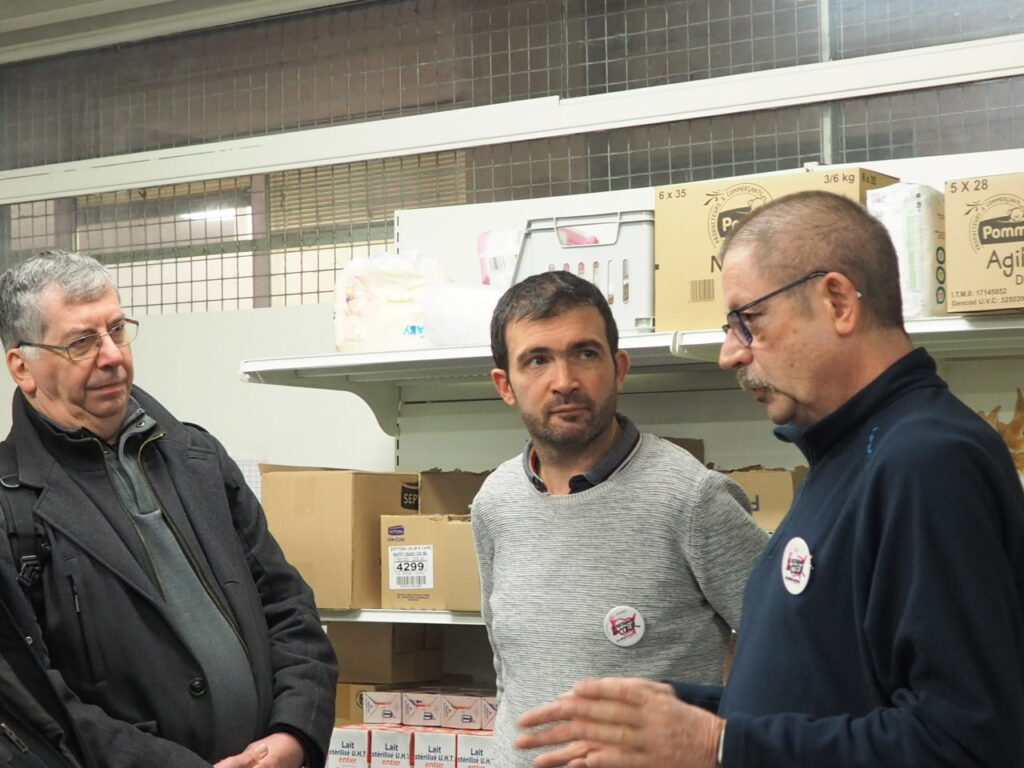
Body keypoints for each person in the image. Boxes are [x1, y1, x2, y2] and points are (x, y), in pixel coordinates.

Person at [515, 190, 1024, 768]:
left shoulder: (926, 461)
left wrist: (719, 746)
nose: (731, 353)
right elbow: (831, 692)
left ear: (836, 301)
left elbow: (965, 743)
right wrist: (681, 713)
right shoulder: (849, 453)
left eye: (747, 321)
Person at [0, 250, 338, 768]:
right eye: (82, 342)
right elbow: (33, 701)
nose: (112, 356)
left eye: (117, 329)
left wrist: (293, 735)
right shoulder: (10, 507)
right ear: (22, 366)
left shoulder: (199, 460)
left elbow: (288, 607)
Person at [472, 270, 769, 767]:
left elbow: (788, 645)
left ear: (619, 367)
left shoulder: (692, 498)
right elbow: (510, 665)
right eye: (537, 360)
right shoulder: (494, 502)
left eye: (585, 353)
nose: (564, 381)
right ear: (506, 384)